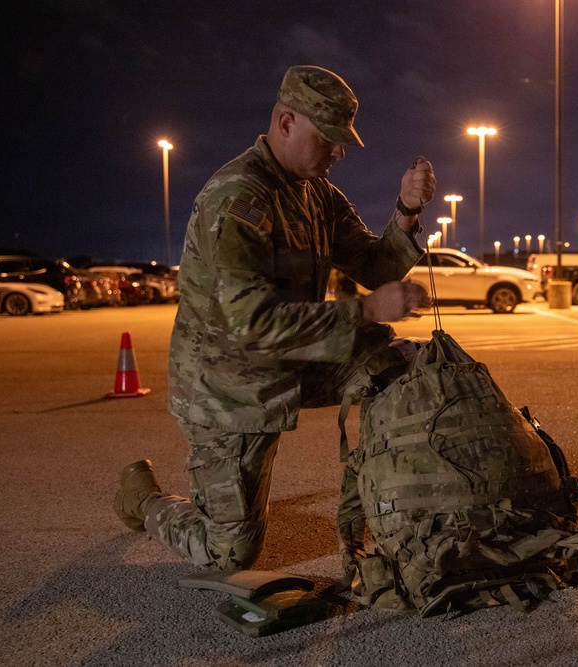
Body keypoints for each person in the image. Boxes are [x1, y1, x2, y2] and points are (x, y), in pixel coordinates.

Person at [113, 65, 437, 571]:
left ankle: (395, 497)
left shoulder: (317, 195)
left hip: (293, 362)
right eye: (328, 138)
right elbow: (256, 325)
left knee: (395, 361)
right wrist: (369, 309)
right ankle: (143, 500)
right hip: (230, 391)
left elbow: (374, 266)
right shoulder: (239, 198)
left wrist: (406, 212)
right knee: (230, 553)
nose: (338, 152)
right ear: (286, 123)